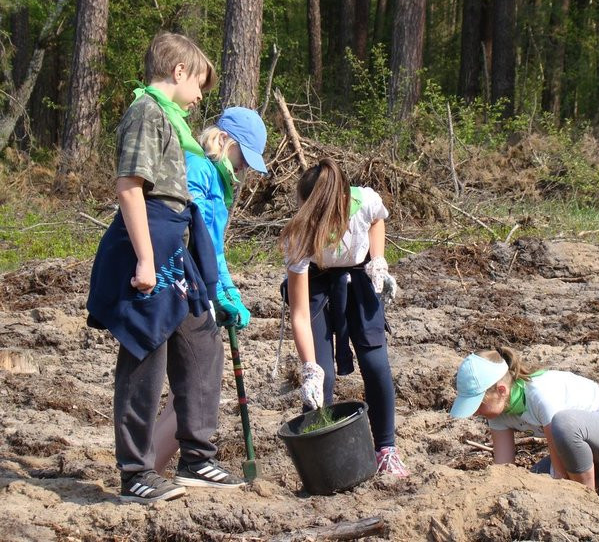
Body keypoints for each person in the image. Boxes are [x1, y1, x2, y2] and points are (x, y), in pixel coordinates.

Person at [87, 32, 244, 503]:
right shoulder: (146, 113)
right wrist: (145, 260)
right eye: (198, 84)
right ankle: (136, 472)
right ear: (178, 72)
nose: (199, 97)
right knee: (145, 353)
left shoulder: (172, 121)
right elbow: (129, 187)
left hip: (175, 244)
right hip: (148, 244)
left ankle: (197, 457)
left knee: (202, 341)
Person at [151, 107, 268, 474]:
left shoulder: (219, 179)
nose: (245, 166)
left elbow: (214, 248)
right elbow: (194, 236)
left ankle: (152, 466)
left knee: (193, 381)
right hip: (180, 280)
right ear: (226, 140)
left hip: (198, 282)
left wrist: (229, 291)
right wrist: (215, 291)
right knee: (199, 374)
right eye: (244, 155)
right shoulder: (200, 169)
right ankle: (162, 466)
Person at [279, 158, 408, 477]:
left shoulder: (364, 201)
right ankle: (317, 457)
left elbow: (377, 221)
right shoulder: (300, 235)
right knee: (322, 376)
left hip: (359, 277)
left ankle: (386, 449)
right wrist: (308, 368)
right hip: (317, 283)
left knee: (375, 363)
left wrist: (378, 261)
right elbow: (299, 314)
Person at [450, 347, 599, 501]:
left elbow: (559, 469)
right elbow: (503, 469)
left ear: (501, 390)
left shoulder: (540, 393)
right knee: (530, 481)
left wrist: (563, 499)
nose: (475, 412)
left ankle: (588, 502)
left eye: (478, 403)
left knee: (564, 425)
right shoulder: (498, 412)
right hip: (588, 451)